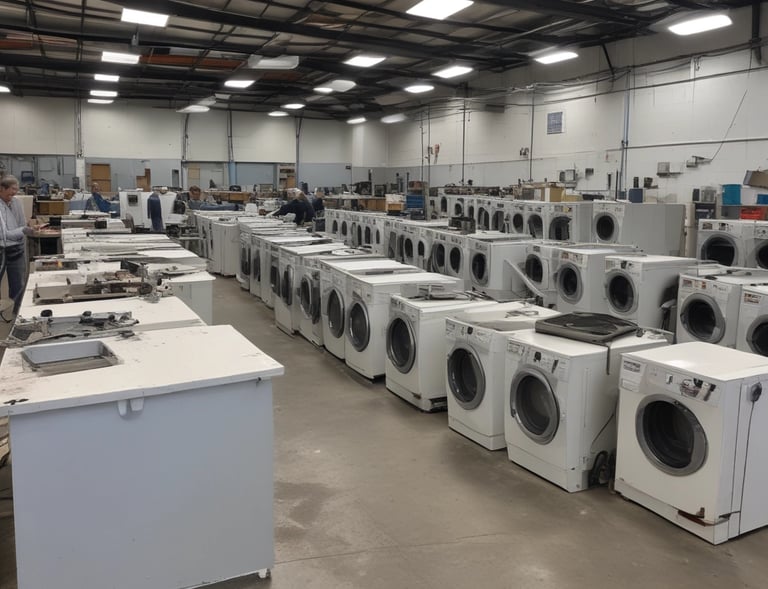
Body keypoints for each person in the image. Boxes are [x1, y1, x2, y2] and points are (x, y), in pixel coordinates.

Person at [0, 175, 36, 314]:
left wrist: (29, 227)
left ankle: (17, 314)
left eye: (16, 190)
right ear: (2, 188)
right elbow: (5, 234)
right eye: (11, 190)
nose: (14, 193)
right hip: (2, 249)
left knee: (18, 285)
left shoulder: (16, 203)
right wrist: (24, 230)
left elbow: (22, 223)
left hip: (17, 249)